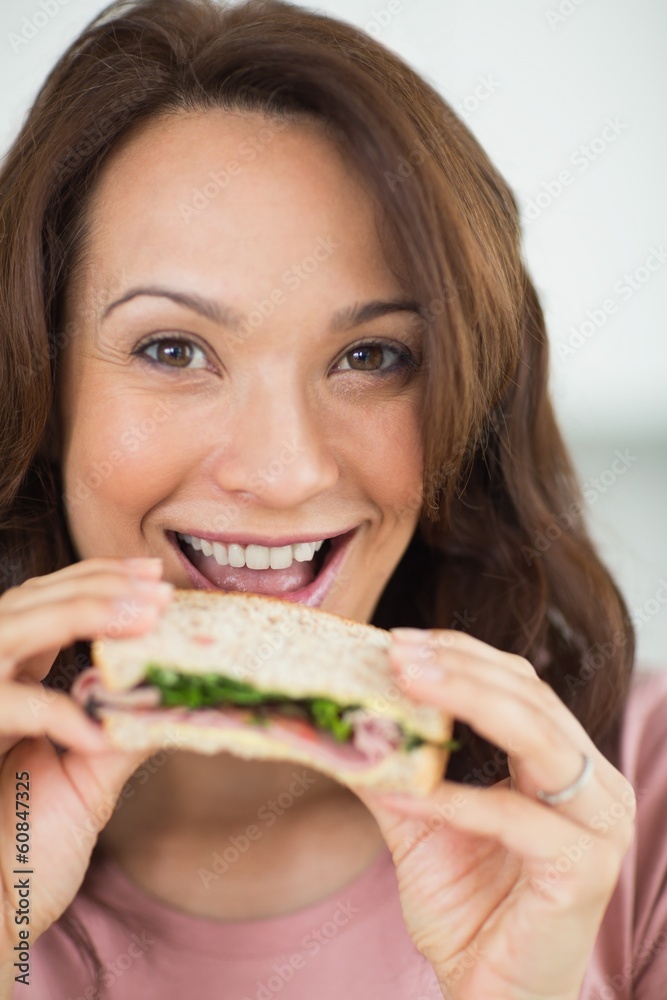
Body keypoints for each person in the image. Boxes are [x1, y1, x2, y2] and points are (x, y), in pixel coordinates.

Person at [0, 1, 665, 997]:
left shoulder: (637, 801)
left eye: (370, 356)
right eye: (173, 349)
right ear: (39, 391)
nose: (284, 470)